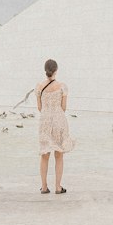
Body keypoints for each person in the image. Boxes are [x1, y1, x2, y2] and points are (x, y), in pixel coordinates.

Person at [36, 57, 74, 194]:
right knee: (59, 154)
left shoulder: (39, 87)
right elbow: (64, 107)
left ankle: (44, 187)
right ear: (56, 70)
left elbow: (39, 107)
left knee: (44, 154)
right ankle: (58, 187)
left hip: (45, 121)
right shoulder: (62, 87)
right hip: (59, 120)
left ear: (45, 71)